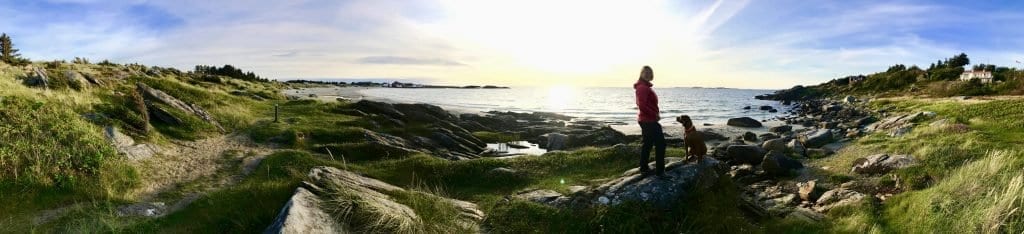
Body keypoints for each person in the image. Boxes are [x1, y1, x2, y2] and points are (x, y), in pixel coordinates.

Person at [634, 66, 667, 178]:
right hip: (648, 120)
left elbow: (647, 104)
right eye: (645, 72)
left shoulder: (644, 86)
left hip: (646, 120)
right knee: (661, 144)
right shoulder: (642, 87)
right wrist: (654, 115)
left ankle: (644, 168)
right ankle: (660, 172)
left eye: (650, 72)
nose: (648, 74)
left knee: (647, 144)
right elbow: (641, 105)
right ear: (641, 74)